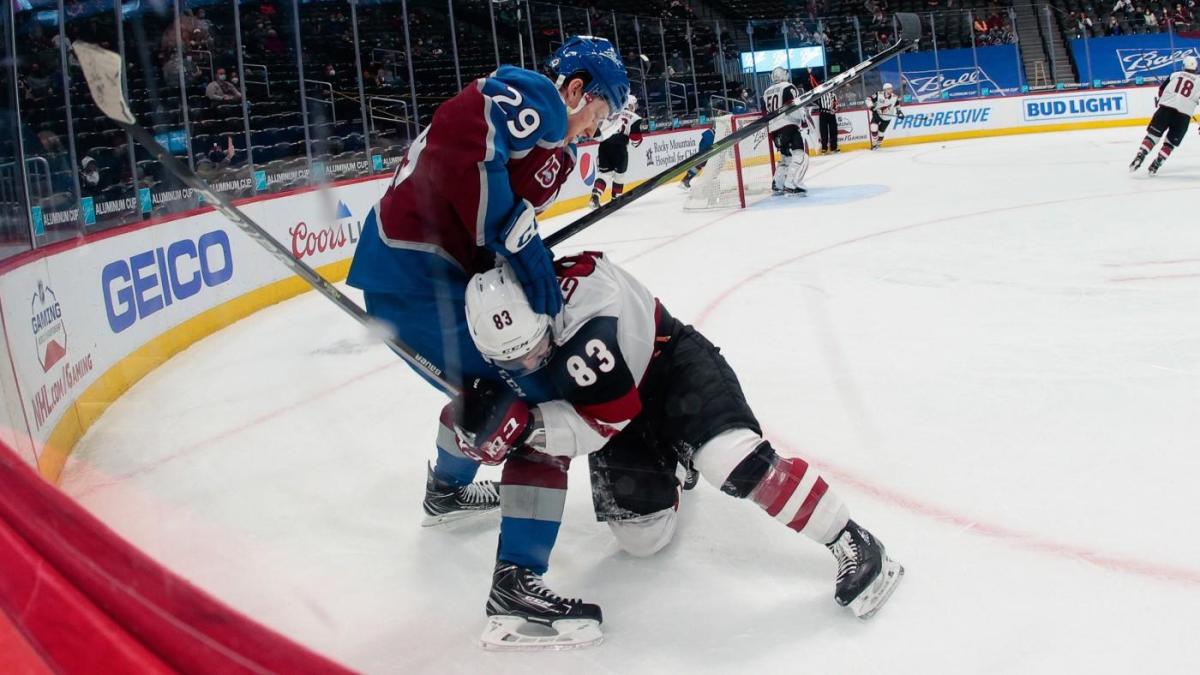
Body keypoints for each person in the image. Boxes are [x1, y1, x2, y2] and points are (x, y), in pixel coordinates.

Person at [453, 253, 905, 648]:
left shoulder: (591, 312)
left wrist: (529, 427)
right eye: (514, 362)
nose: (530, 364)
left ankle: (850, 536)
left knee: (730, 460)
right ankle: (674, 461)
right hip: (612, 406)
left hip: (671, 367)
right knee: (642, 540)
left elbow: (602, 422)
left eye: (534, 349)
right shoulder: (518, 318)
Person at [345, 37, 628, 526]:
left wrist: (519, 247)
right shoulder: (540, 99)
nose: (595, 129)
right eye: (599, 114)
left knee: (488, 390)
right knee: (531, 390)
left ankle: (446, 492)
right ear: (577, 89)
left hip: (434, 279)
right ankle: (614, 489)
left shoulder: (555, 155)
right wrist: (513, 236)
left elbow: (499, 225)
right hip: (411, 276)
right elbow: (469, 118)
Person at [1130, 55, 1200, 174]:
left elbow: (1161, 91)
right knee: (1170, 143)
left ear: (1183, 66)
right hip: (1183, 116)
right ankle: (1157, 163)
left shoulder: (1174, 75)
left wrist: (1165, 98)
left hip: (1165, 110)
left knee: (1152, 137)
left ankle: (1141, 155)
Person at [762, 66, 810, 196]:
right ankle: (792, 183)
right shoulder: (788, 87)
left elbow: (764, 113)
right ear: (784, 75)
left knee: (786, 157)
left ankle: (778, 184)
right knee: (800, 154)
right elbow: (793, 106)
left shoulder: (766, 92)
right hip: (788, 125)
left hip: (773, 129)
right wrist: (803, 119)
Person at [589, 95, 643, 208]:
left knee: (604, 174)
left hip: (604, 145)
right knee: (619, 176)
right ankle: (615, 200)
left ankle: (595, 196)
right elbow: (635, 141)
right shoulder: (634, 117)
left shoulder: (610, 111)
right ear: (631, 105)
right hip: (620, 148)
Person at [868, 82, 904, 150]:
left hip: (887, 117)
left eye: (891, 88)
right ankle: (874, 143)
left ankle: (878, 144)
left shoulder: (894, 97)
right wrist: (871, 107)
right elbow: (868, 99)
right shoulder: (878, 94)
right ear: (885, 90)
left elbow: (897, 105)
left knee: (881, 133)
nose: (891, 90)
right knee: (873, 127)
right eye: (889, 89)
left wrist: (899, 112)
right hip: (877, 114)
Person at [680, 125, 715, 189]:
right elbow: (706, 137)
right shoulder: (711, 134)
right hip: (705, 148)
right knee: (701, 164)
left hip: (705, 147)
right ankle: (686, 179)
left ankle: (686, 179)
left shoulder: (711, 133)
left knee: (701, 164)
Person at [815, 84, 839, 154]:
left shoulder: (833, 95)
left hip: (831, 114)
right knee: (823, 132)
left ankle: (833, 148)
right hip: (823, 114)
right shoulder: (820, 94)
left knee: (833, 131)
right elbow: (816, 101)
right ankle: (824, 148)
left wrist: (834, 109)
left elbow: (836, 104)